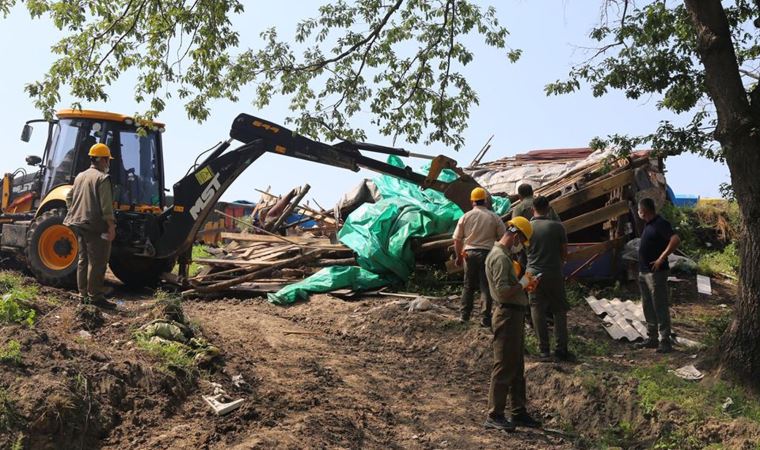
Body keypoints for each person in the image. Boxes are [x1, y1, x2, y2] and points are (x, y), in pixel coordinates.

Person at [483, 217, 542, 432]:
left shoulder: (504, 256)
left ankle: (518, 411)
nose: (520, 247)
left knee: (516, 366)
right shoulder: (499, 258)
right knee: (504, 366)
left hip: (513, 315)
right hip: (507, 315)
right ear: (516, 236)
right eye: (521, 241)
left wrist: (524, 285)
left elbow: (510, 287)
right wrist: (524, 283)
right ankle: (495, 414)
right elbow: (502, 291)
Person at [64, 143, 117, 309]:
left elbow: (68, 198)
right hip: (95, 226)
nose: (108, 163)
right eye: (107, 159)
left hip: (78, 224)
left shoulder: (80, 176)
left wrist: (75, 211)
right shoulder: (102, 178)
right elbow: (106, 207)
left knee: (83, 260)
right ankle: (95, 297)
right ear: (101, 159)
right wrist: (111, 226)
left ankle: (83, 295)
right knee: (98, 261)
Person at [527, 196, 574, 362]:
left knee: (536, 308)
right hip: (554, 272)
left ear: (533, 208)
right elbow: (564, 253)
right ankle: (561, 350)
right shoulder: (558, 227)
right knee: (559, 310)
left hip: (531, 273)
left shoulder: (527, 227)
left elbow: (519, 249)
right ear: (548, 208)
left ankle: (543, 351)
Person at [453, 187, 507, 327]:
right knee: (486, 286)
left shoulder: (465, 216)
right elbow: (503, 237)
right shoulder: (494, 217)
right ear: (485, 201)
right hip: (487, 254)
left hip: (469, 254)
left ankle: (464, 316)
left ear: (472, 201)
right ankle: (485, 318)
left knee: (468, 285)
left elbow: (457, 240)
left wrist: (459, 256)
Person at [635, 198, 681, 353]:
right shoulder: (648, 225)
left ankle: (665, 340)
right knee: (647, 305)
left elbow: (675, 239)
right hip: (644, 271)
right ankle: (652, 338)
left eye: (639, 209)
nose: (637, 212)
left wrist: (662, 258)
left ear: (644, 210)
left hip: (656, 273)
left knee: (659, 305)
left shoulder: (660, 223)